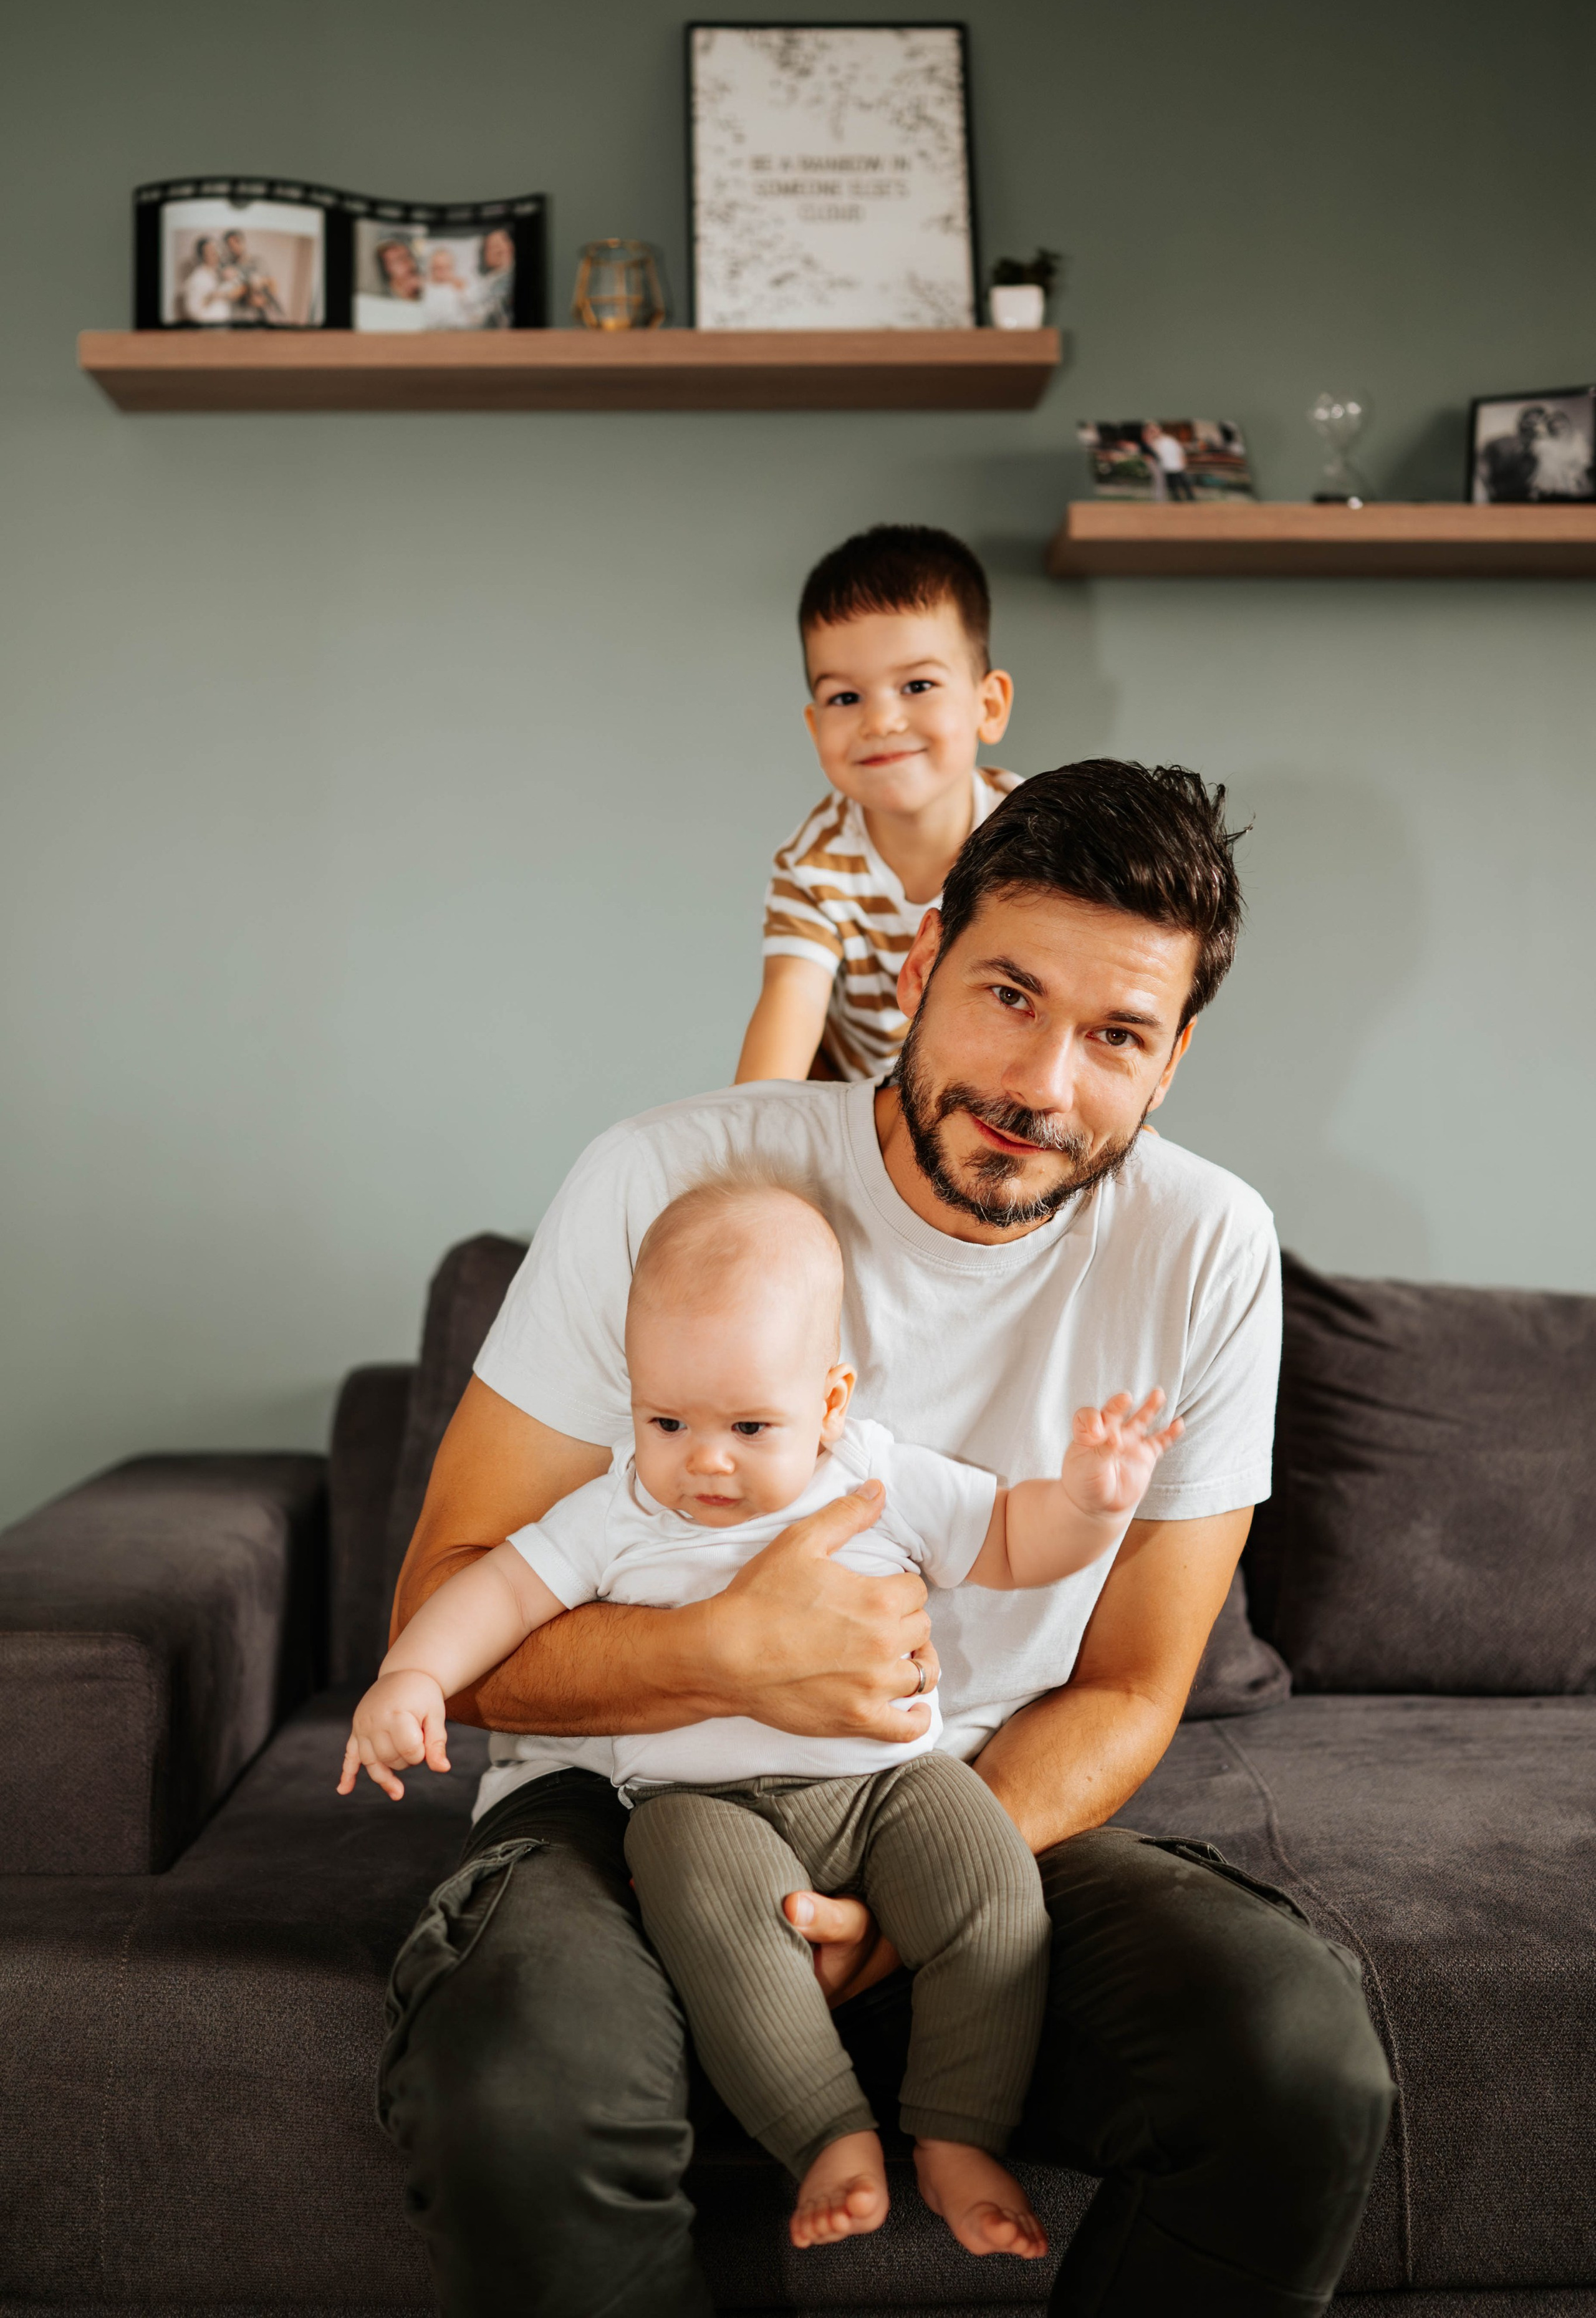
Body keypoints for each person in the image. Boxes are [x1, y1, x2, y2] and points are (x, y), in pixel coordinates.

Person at [379, 759, 1393, 2317]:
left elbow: (1128, 1685)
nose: (1042, 1081)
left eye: (1114, 1034)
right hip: (627, 1803)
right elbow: (447, 1605)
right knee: (521, 2098)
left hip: (953, 1796)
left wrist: (915, 1903)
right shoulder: (670, 1180)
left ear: (1170, 1060)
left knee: (1295, 2057)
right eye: (1005, 994)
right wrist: (722, 1652)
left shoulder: (1205, 1250)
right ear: (918, 965)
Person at [347, 1171, 1179, 2259]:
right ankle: (826, 2135)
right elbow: (499, 1592)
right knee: (718, 1931)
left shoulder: (870, 1477)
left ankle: (955, 2130)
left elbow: (1014, 1544)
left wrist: (1087, 1504)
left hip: (890, 1788)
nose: (707, 1460)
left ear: (831, 1403)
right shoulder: (618, 1510)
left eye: (750, 1423)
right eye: (668, 1419)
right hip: (703, 1808)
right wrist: (409, 1677)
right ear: (632, 1397)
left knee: (995, 1892)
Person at [736, 526, 1021, 1085]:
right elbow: (786, 1020)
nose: (880, 722)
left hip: (1003, 1081)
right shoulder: (813, 868)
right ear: (816, 727)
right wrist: (746, 1141)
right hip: (868, 1102)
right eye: (846, 697)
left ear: (988, 705)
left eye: (917, 685)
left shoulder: (1041, 835)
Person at [1142, 421, 1196, 500]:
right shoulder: (1152, 443)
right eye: (1151, 431)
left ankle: (1192, 499)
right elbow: (1150, 455)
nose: (1153, 432)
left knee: (1186, 484)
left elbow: (1180, 451)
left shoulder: (1169, 440)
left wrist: (1183, 463)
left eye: (1154, 430)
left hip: (1177, 466)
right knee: (1173, 487)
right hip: (1166, 468)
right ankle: (1177, 501)